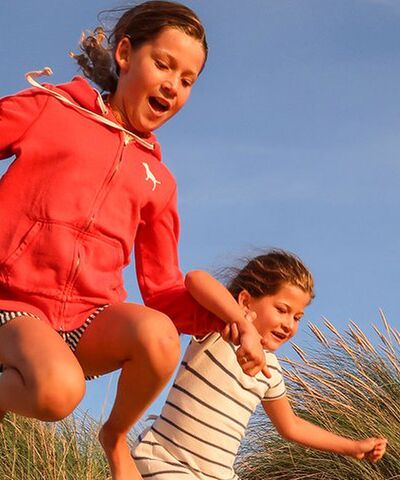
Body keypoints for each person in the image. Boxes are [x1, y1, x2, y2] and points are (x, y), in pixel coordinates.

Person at [0, 2, 267, 479]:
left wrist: (227, 319)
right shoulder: (50, 109)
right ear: (125, 53)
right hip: (13, 303)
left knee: (157, 335)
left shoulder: (159, 181)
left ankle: (116, 435)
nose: (173, 84)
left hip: (87, 321)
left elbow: (163, 288)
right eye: (163, 64)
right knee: (59, 393)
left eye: (187, 80)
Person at [132, 250, 388, 479]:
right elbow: (195, 278)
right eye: (282, 309)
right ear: (245, 301)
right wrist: (241, 324)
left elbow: (292, 426)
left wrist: (353, 447)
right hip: (166, 461)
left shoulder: (271, 372)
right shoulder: (218, 329)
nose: (290, 324)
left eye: (297, 317)